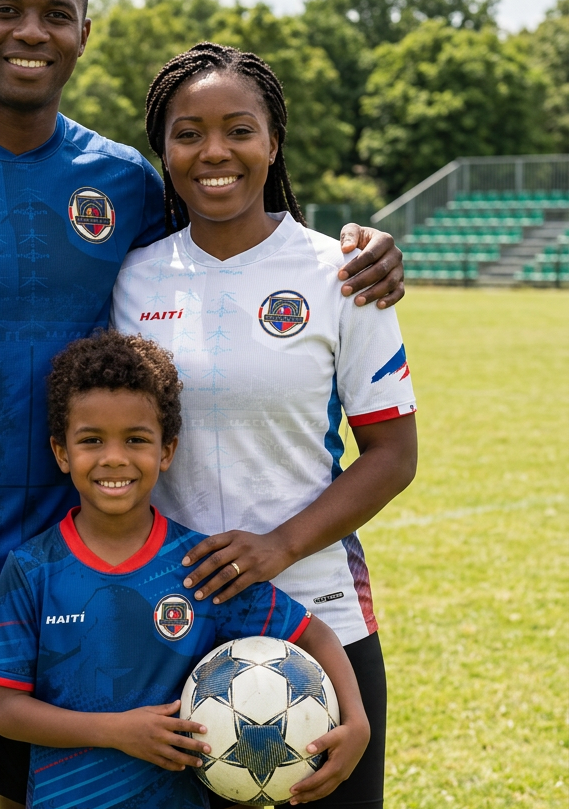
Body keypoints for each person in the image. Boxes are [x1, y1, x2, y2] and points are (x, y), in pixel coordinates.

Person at [0, 0, 405, 809]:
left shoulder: (121, 182)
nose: (29, 32)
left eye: (56, 14)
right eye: (7, 10)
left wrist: (368, 250)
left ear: (86, 34)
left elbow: (230, 245)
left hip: (85, 581)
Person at [110, 42, 419, 807]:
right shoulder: (131, 276)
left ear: (273, 141)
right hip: (168, 632)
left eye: (238, 129)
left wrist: (278, 545)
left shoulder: (341, 273)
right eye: (188, 132)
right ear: (164, 151)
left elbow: (392, 454)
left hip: (320, 627)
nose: (215, 151)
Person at [0, 330, 370, 809]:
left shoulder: (200, 565)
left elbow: (314, 635)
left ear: (166, 450)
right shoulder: (32, 568)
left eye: (136, 439)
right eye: (92, 440)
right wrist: (117, 731)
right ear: (62, 452)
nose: (114, 457)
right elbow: (6, 711)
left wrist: (356, 720)